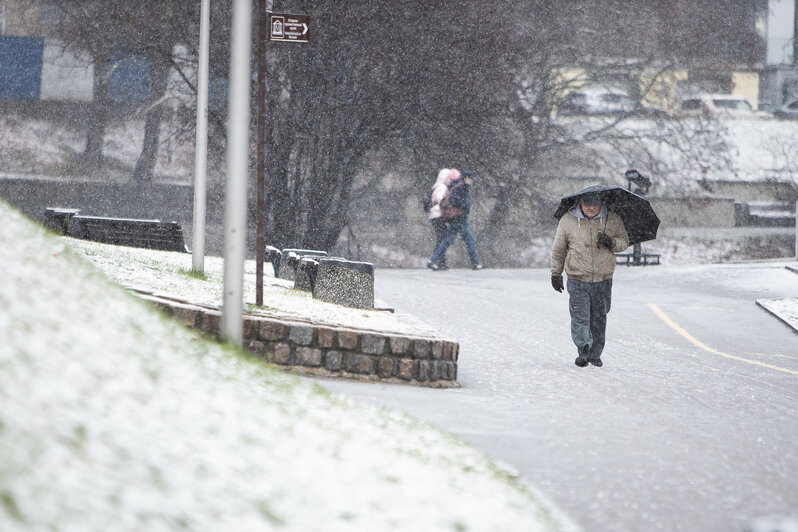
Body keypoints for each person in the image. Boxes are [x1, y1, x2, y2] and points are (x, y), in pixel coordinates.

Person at [550, 191, 629, 367]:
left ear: (601, 203)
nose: (592, 208)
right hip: (577, 278)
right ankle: (583, 348)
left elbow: (624, 241)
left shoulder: (612, 219)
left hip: (603, 278)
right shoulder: (567, 221)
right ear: (580, 203)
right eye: (588, 205)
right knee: (580, 317)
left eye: (595, 204)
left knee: (599, 317)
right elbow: (558, 249)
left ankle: (595, 353)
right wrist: (556, 273)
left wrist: (611, 242)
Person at [427, 170, 485, 271]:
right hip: (460, 219)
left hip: (455, 219)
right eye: (469, 179)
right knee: (469, 240)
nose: (470, 181)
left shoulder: (457, 186)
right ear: (465, 178)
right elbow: (454, 201)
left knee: (447, 241)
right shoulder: (460, 187)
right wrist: (463, 207)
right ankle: (475, 263)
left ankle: (433, 260)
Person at [427, 168, 457, 270]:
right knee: (442, 239)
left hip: (434, 215)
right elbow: (441, 200)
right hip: (438, 215)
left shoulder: (436, 187)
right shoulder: (442, 188)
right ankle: (438, 261)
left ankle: (440, 261)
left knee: (441, 238)